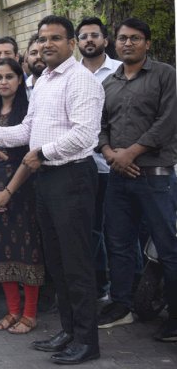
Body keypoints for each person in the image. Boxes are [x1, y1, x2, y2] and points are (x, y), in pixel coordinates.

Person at [0, 15, 104, 365]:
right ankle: (69, 331)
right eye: (42, 39)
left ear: (71, 43)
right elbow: (26, 129)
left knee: (76, 263)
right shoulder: (40, 82)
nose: (47, 45)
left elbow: (85, 135)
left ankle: (87, 341)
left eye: (56, 38)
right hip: (46, 179)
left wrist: (43, 153)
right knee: (56, 262)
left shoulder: (81, 81)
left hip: (72, 177)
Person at [97, 18, 177, 343]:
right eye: (122, 38)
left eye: (135, 38)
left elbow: (168, 121)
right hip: (119, 177)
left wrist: (131, 152)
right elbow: (100, 126)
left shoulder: (165, 75)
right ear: (114, 43)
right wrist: (110, 153)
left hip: (155, 177)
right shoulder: (108, 84)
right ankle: (121, 305)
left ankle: (174, 317)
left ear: (147, 43)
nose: (127, 43)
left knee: (168, 249)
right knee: (117, 244)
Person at [0, 58, 44, 334]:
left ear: (19, 80)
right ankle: (13, 310)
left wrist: (8, 192)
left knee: (27, 251)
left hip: (21, 190)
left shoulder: (27, 115)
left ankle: (29, 314)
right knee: (0, 250)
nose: (3, 82)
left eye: (9, 77)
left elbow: (30, 158)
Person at [76, 16, 121, 301]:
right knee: (89, 231)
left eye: (94, 35)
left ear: (105, 40)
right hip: (82, 167)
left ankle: (124, 292)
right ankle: (98, 287)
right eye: (83, 36)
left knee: (117, 231)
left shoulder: (119, 71)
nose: (89, 40)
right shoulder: (71, 74)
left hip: (117, 165)